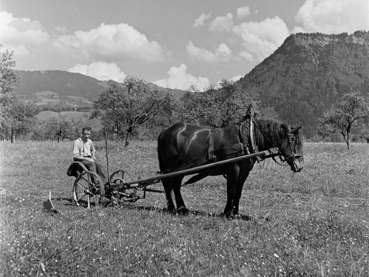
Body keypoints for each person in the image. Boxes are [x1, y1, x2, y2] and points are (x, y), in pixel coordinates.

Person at [73, 127, 106, 198]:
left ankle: (104, 183)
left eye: (88, 134)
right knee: (91, 164)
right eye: (85, 134)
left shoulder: (90, 141)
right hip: (80, 159)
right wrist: (88, 159)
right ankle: (95, 183)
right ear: (82, 133)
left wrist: (93, 156)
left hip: (89, 158)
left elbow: (93, 150)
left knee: (99, 165)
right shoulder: (77, 142)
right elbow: (76, 156)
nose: (87, 136)